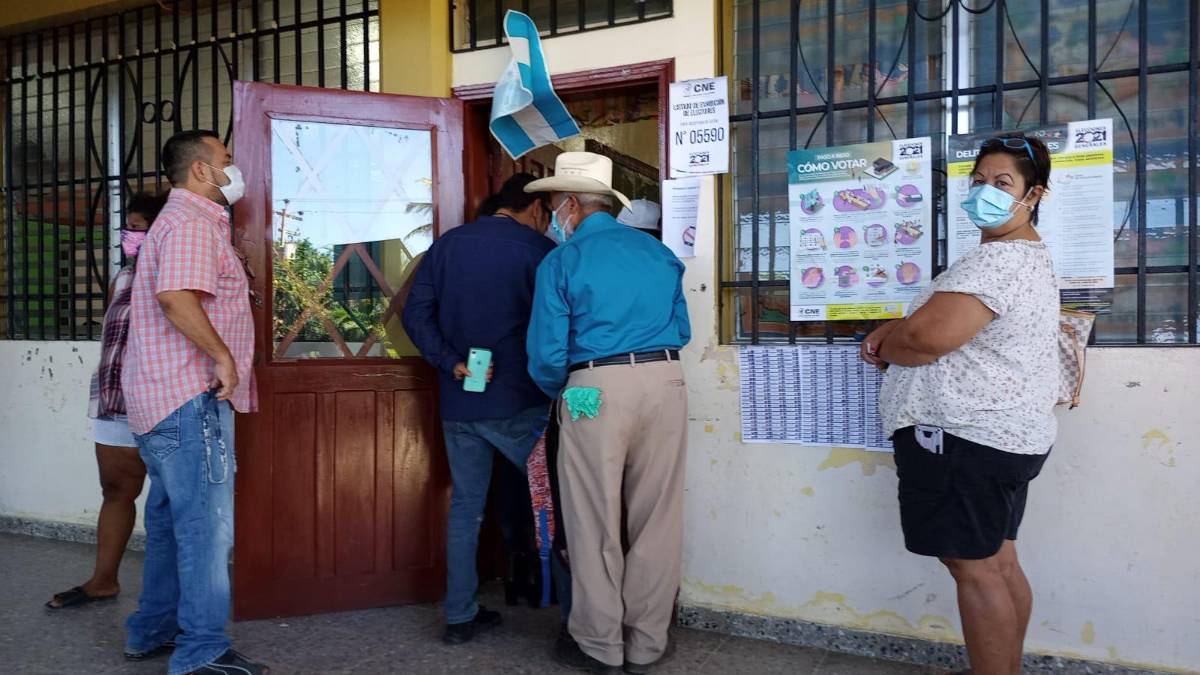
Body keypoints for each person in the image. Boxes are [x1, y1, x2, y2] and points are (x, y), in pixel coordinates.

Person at [863, 133, 1058, 675]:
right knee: (996, 562)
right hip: (1002, 437)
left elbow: (926, 341)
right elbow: (933, 326)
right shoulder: (1016, 257)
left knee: (975, 570)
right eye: (978, 182)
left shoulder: (999, 263)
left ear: (1033, 195)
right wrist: (900, 330)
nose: (984, 193)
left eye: (1002, 183)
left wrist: (888, 344)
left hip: (966, 439)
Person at [525, 151, 691, 675]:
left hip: (591, 384)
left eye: (554, 204)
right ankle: (647, 642)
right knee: (657, 516)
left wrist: (566, 391)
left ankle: (600, 644)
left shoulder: (561, 261)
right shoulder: (658, 254)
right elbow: (682, 330)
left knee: (591, 514)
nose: (554, 215)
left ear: (571, 204)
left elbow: (548, 353)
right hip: (666, 380)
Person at [121, 130, 266, 675]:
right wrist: (223, 358)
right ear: (202, 171)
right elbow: (176, 298)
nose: (234, 169)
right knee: (205, 527)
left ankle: (152, 630)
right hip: (190, 397)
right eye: (227, 160)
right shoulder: (188, 223)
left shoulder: (187, 223)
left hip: (164, 401)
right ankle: (201, 651)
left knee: (168, 521)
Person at [402, 172, 556, 645]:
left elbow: (414, 314)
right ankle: (576, 615)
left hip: (460, 402)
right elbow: (554, 327)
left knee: (466, 508)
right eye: (548, 215)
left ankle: (459, 616)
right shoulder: (540, 252)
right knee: (556, 503)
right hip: (520, 403)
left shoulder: (447, 246)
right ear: (535, 209)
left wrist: (451, 363)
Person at [46, 191, 166, 610]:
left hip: (165, 398)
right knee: (116, 488)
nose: (130, 235)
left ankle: (174, 601)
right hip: (115, 397)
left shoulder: (181, 269)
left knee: (173, 500)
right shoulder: (122, 278)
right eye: (128, 227)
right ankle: (103, 580)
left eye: (139, 227)